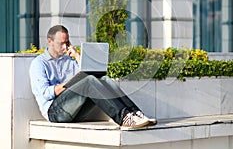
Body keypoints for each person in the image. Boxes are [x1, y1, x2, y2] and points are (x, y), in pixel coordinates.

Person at [29, 25, 157, 129]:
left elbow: (85, 71)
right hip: (55, 113)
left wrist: (77, 56)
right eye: (61, 43)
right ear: (50, 41)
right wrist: (70, 83)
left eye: (67, 42)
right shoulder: (39, 63)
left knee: (104, 79)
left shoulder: (68, 60)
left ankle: (135, 113)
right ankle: (124, 118)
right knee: (89, 81)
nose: (65, 47)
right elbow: (45, 93)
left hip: (76, 111)